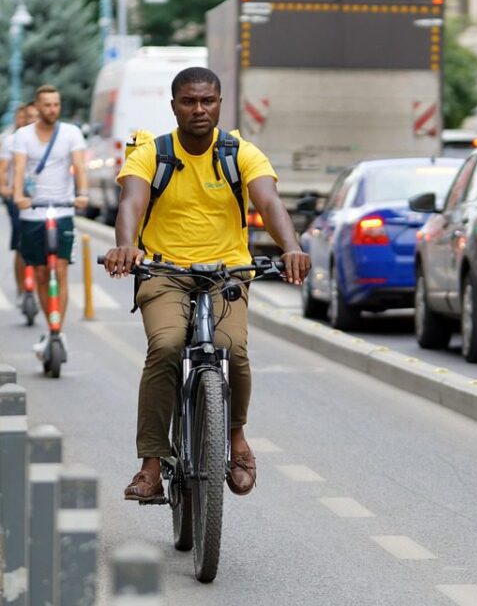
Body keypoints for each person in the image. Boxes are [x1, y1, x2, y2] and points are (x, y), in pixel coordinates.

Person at [102, 67, 310, 501]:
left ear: (219, 103)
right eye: (189, 101)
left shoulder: (240, 152)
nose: (199, 109)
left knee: (232, 348)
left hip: (226, 273)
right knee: (166, 345)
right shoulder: (151, 153)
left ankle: (235, 439)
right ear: (174, 105)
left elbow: (269, 202)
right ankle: (151, 464)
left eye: (208, 101)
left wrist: (291, 246)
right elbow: (131, 203)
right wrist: (126, 247)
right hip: (164, 272)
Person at [13, 85, 89, 354]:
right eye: (47, 105)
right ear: (38, 105)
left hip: (63, 209)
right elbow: (20, 167)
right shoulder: (23, 136)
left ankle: (57, 332)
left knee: (59, 269)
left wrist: (82, 193)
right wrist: (19, 195)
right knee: (42, 271)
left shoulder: (71, 133)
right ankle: (50, 326)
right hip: (32, 211)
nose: (52, 109)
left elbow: (79, 165)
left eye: (56, 104)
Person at [0, 103, 37, 304]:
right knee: (21, 244)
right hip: (17, 197)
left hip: (40, 199)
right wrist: (5, 189)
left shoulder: (43, 139)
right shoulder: (11, 141)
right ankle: (22, 289)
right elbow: (3, 169)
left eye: (30, 117)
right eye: (22, 117)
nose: (26, 121)